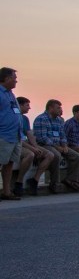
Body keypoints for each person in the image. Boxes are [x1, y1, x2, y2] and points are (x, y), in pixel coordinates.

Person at [33, 99, 79, 192]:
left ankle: (71, 179)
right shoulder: (41, 119)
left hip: (59, 145)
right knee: (56, 155)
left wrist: (64, 145)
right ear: (50, 108)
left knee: (76, 156)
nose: (60, 110)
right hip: (45, 145)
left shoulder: (59, 120)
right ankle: (54, 183)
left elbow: (62, 135)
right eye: (58, 107)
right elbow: (42, 138)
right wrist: (56, 147)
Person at [15, 96, 54, 195]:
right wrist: (32, 148)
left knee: (49, 155)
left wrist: (36, 146)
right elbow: (18, 138)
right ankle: (19, 182)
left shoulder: (25, 119)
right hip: (18, 143)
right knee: (30, 155)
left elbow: (29, 134)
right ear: (19, 105)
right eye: (27, 105)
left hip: (26, 142)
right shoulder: (14, 118)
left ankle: (35, 180)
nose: (29, 108)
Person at [0, 67, 23, 200]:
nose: (16, 81)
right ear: (7, 78)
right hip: (3, 135)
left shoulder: (11, 94)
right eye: (14, 78)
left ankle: (6, 191)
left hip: (15, 136)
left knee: (9, 163)